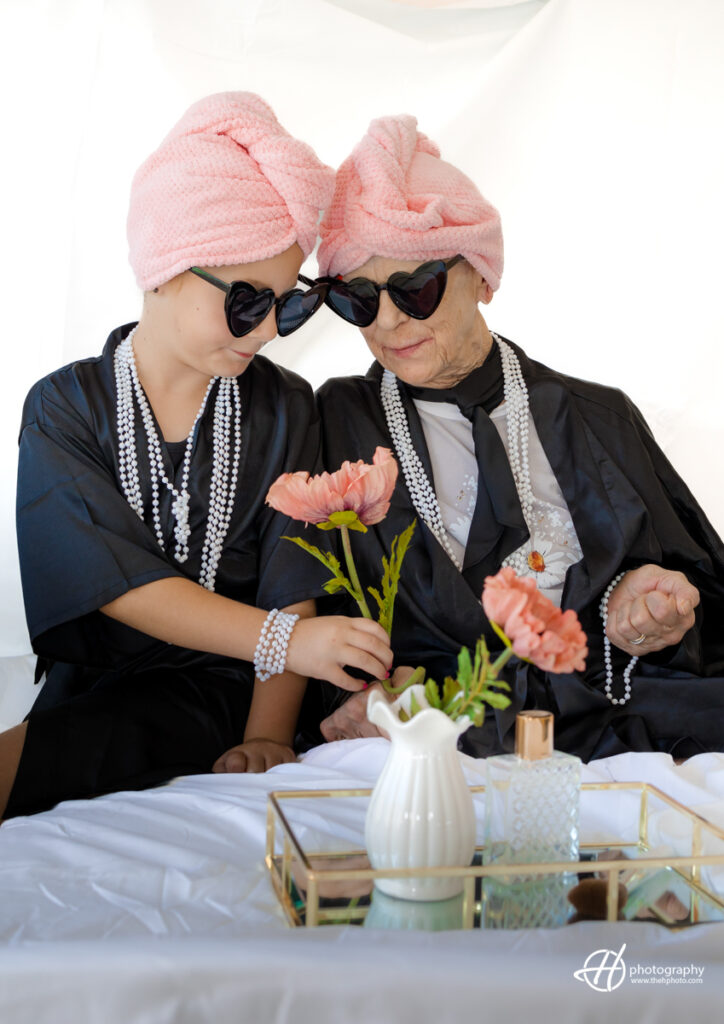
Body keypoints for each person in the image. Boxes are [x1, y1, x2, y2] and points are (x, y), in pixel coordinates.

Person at [0, 93, 392, 821]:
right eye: (248, 302)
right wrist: (290, 640)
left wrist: (269, 735)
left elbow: (292, 573)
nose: (270, 329)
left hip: (231, 689)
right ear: (165, 269)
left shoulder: (284, 405)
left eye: (288, 303)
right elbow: (113, 583)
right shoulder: (65, 405)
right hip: (98, 692)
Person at [312, 114, 724, 762]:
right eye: (358, 300)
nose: (388, 320)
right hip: (425, 739)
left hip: (609, 718)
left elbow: (693, 594)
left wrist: (647, 610)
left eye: (416, 289)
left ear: (481, 275)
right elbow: (300, 608)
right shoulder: (336, 422)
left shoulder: (600, 417)